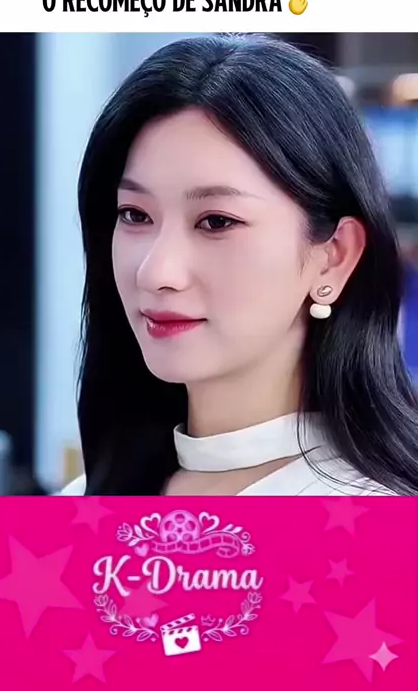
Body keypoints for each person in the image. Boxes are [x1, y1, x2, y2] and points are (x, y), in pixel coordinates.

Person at [61, 34, 418, 497]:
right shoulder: (81, 503)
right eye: (134, 215)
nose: (155, 272)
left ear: (334, 257)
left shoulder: (376, 522)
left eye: (216, 221)